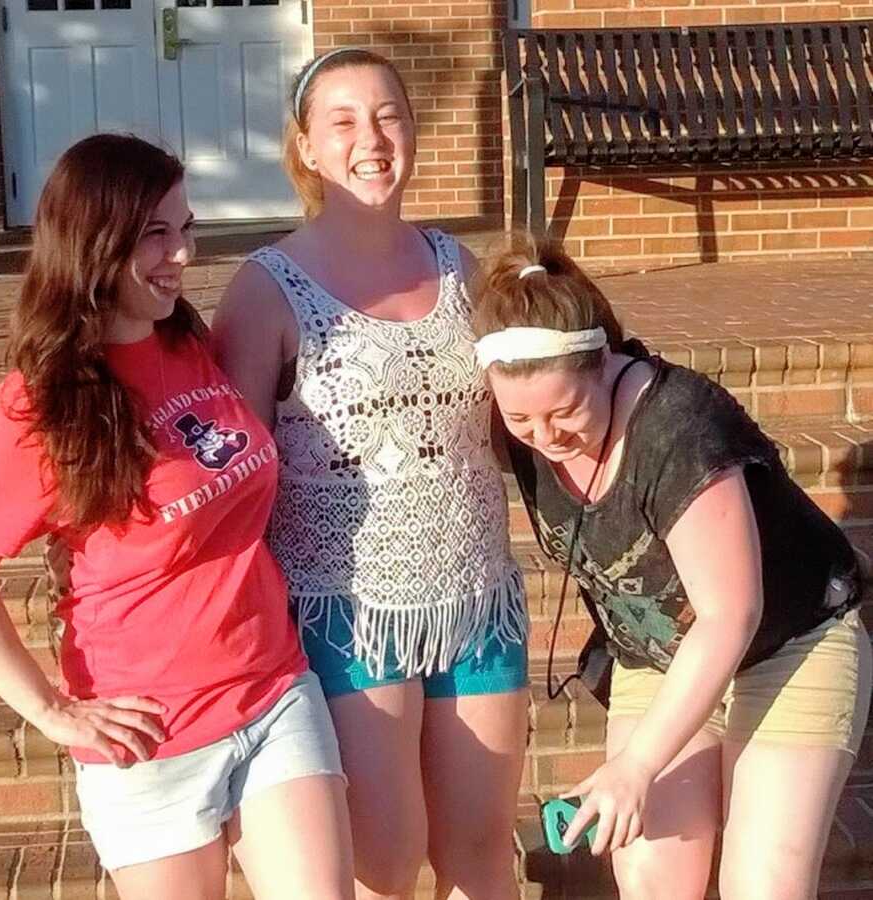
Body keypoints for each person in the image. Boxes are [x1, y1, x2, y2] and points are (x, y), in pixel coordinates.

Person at [0, 134, 354, 900]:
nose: (181, 256)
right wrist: (51, 711)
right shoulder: (38, 405)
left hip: (273, 693)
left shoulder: (188, 342)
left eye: (186, 229)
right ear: (93, 242)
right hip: (151, 739)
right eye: (155, 235)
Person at [213, 49, 528, 900]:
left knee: (480, 855)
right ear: (308, 148)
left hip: (478, 598)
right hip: (346, 613)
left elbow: (514, 425)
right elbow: (231, 481)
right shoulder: (264, 290)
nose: (372, 139)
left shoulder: (460, 266)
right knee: (385, 864)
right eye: (344, 121)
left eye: (389, 115)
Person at [470, 235, 872, 900]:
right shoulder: (516, 421)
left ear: (603, 363)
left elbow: (729, 615)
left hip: (789, 643)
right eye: (522, 419)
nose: (544, 437)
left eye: (564, 413)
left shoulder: (678, 427)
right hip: (657, 656)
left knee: (762, 885)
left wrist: (638, 765)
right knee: (655, 877)